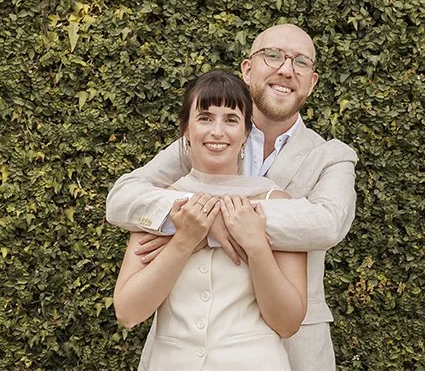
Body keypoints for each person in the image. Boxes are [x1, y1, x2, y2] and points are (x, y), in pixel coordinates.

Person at [107, 24, 357, 371]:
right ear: (247, 68)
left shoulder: (332, 155)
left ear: (312, 81)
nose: (286, 69)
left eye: (300, 62)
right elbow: (123, 199)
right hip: (182, 349)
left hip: (297, 347)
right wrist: (189, 230)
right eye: (273, 55)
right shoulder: (205, 139)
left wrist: (210, 224)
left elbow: (327, 224)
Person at [113, 70, 307, 370]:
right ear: (186, 130)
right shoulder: (160, 203)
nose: (217, 131)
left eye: (230, 119)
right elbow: (128, 312)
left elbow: (288, 323)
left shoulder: (275, 202)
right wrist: (184, 241)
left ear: (245, 134)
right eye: (205, 118)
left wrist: (257, 247)